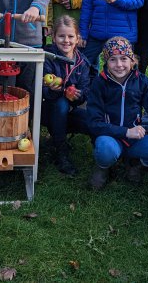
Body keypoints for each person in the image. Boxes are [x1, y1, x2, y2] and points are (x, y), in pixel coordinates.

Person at [86, 37, 148, 190]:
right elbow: (94, 123)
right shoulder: (99, 83)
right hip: (110, 137)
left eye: (124, 59)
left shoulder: (141, 81)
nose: (119, 65)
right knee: (106, 149)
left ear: (132, 60)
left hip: (135, 140)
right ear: (106, 62)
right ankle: (103, 166)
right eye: (113, 60)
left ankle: (132, 160)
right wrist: (126, 131)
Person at [41, 16, 91, 176]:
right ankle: (61, 152)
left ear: (77, 38)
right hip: (46, 110)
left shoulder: (82, 63)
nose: (66, 41)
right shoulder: (47, 57)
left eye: (70, 36)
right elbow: (40, 89)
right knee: (61, 103)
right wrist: (53, 91)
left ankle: (102, 162)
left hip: (72, 109)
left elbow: (85, 91)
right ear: (54, 37)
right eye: (61, 36)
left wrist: (78, 95)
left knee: (91, 119)